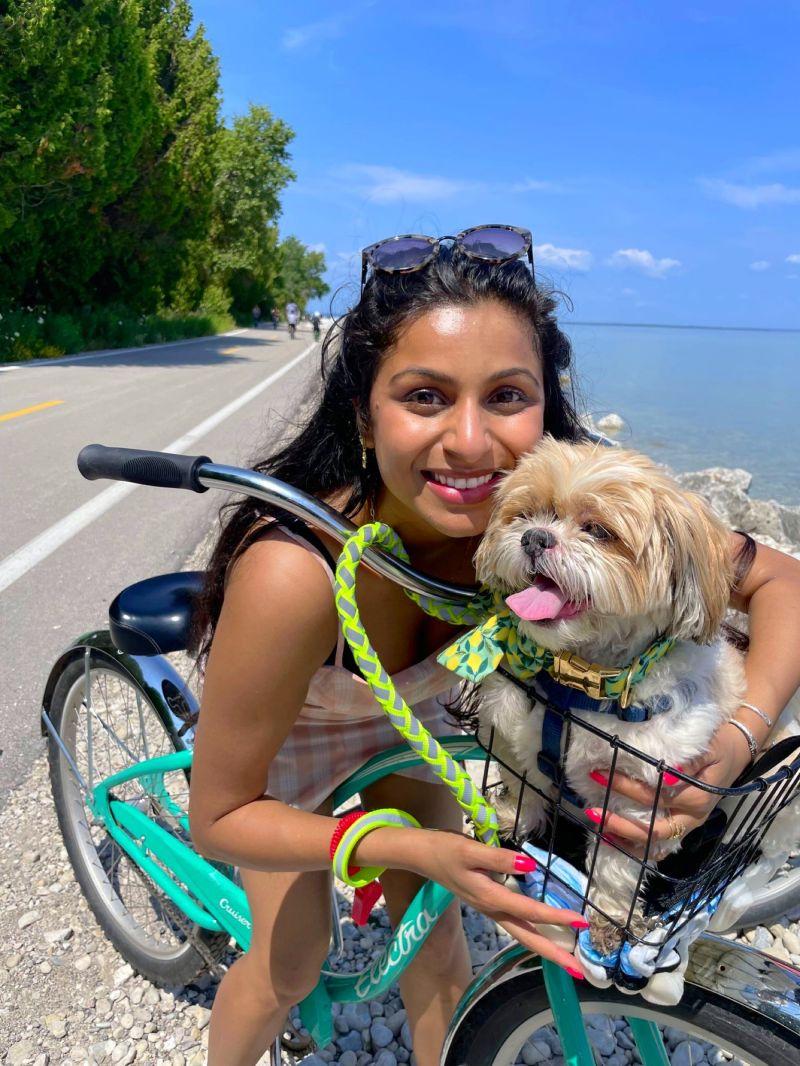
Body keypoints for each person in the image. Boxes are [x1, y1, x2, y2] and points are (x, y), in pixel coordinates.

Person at [188, 231, 800, 1066]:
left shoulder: (544, 519)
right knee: (288, 963)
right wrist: (409, 847)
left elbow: (784, 584)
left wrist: (731, 744)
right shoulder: (295, 575)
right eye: (426, 397)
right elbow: (218, 817)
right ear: (366, 416)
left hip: (422, 726)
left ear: (549, 405)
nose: (471, 441)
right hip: (298, 742)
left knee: (440, 949)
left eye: (507, 395)